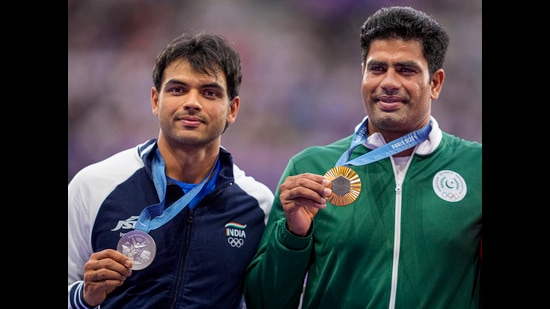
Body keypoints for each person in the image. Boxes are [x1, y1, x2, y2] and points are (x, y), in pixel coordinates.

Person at [244, 6, 481, 309]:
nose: (389, 82)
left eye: (406, 70)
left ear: (435, 83)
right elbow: (264, 302)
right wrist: (292, 234)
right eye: (377, 68)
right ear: (363, 74)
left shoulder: (476, 169)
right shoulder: (310, 170)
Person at [68, 32, 274, 309]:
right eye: (178, 89)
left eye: (209, 92)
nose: (192, 102)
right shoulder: (93, 186)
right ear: (155, 100)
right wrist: (83, 296)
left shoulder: (258, 206)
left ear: (232, 109)